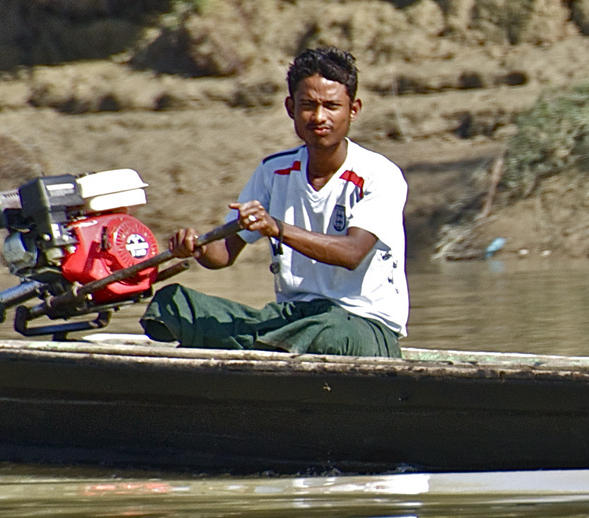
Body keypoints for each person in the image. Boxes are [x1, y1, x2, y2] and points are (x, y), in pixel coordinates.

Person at [140, 47, 408, 357]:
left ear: (353, 109)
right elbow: (224, 254)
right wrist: (197, 246)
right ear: (290, 107)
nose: (319, 117)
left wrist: (276, 228)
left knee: (326, 332)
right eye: (308, 106)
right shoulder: (274, 171)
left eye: (331, 106)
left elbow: (352, 253)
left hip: (361, 326)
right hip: (292, 318)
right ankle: (266, 340)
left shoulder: (379, 174)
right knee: (174, 304)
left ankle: (259, 340)